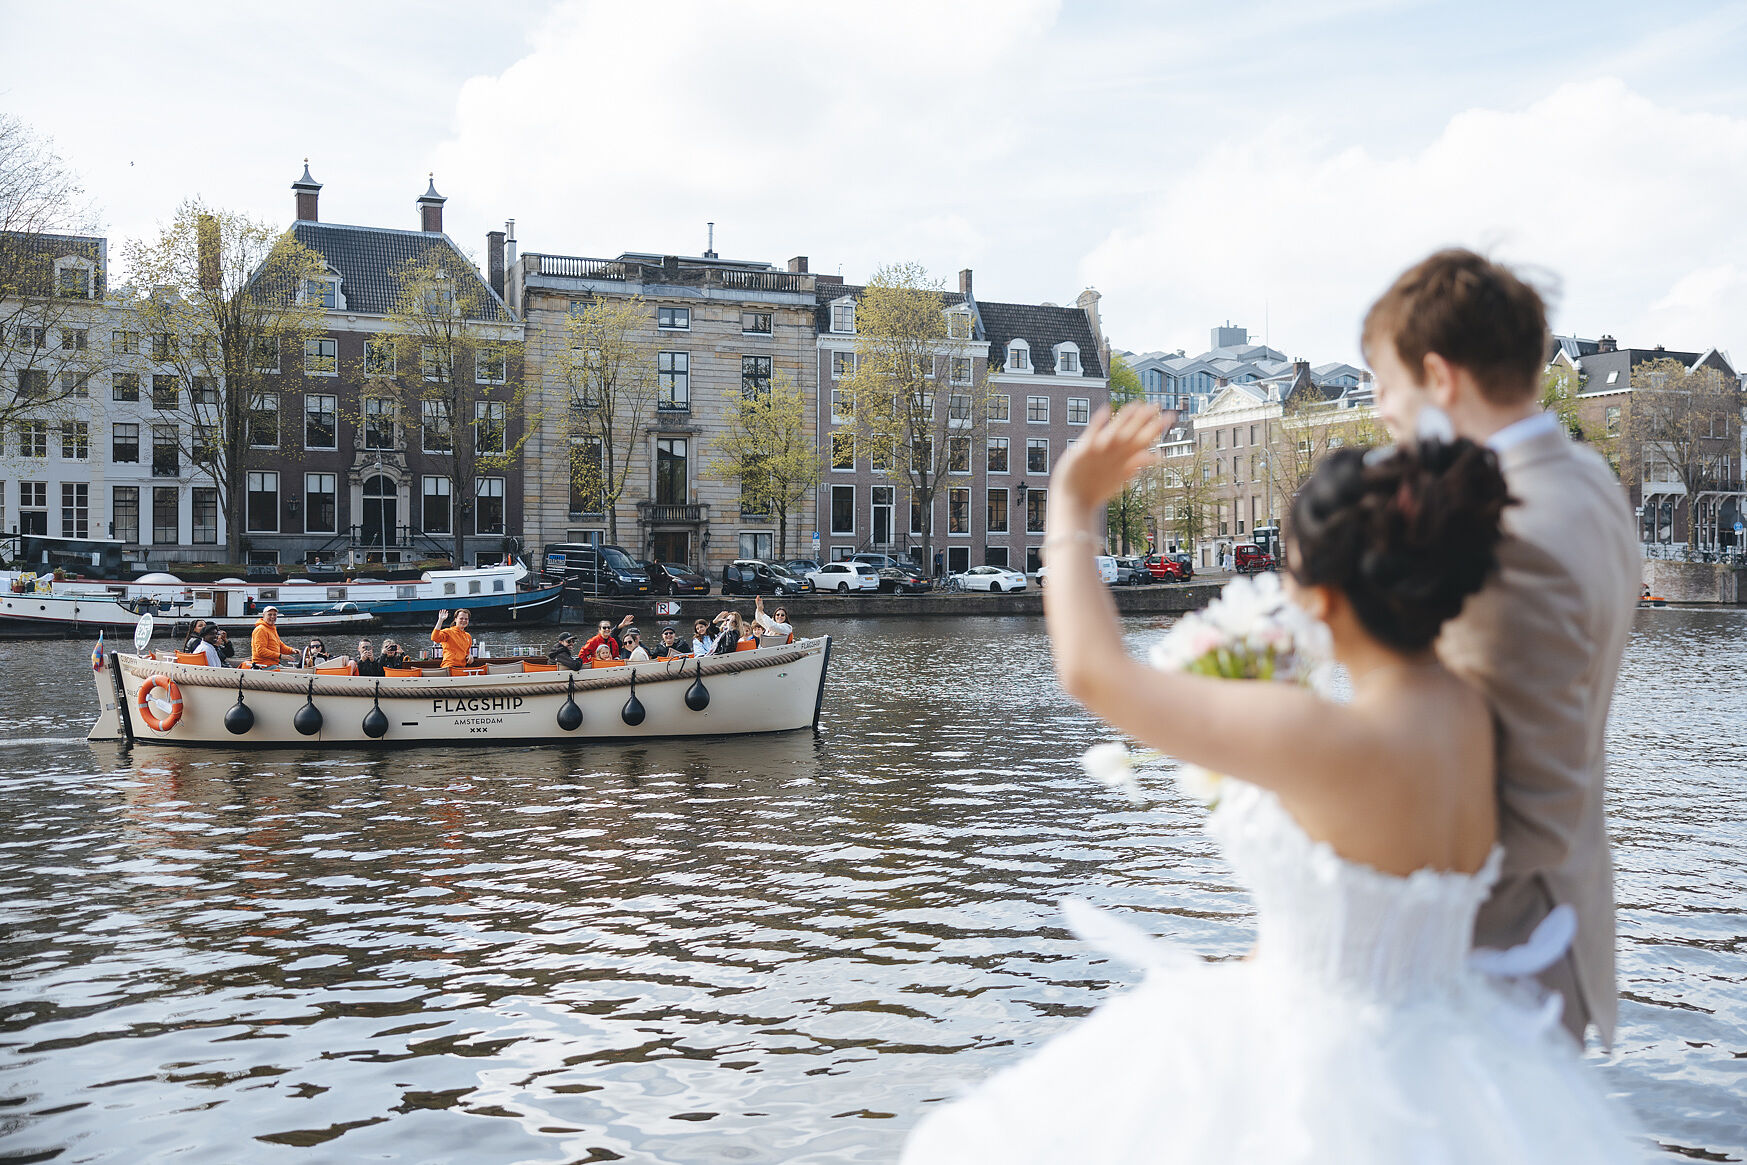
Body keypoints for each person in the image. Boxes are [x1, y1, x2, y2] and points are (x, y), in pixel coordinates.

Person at [901, 405, 1639, 1163]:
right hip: (1462, 1056)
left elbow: (1093, 671)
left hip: (1313, 1068)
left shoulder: (1326, 737)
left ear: (1321, 597)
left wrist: (1070, 501)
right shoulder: (1472, 715)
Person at [1363, 249, 1637, 1046]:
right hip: (1561, 931)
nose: (1381, 409)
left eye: (1386, 382)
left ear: (1440, 378)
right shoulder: (1588, 479)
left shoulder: (1509, 540)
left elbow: (1533, 813)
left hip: (1496, 970)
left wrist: (1352, 872)